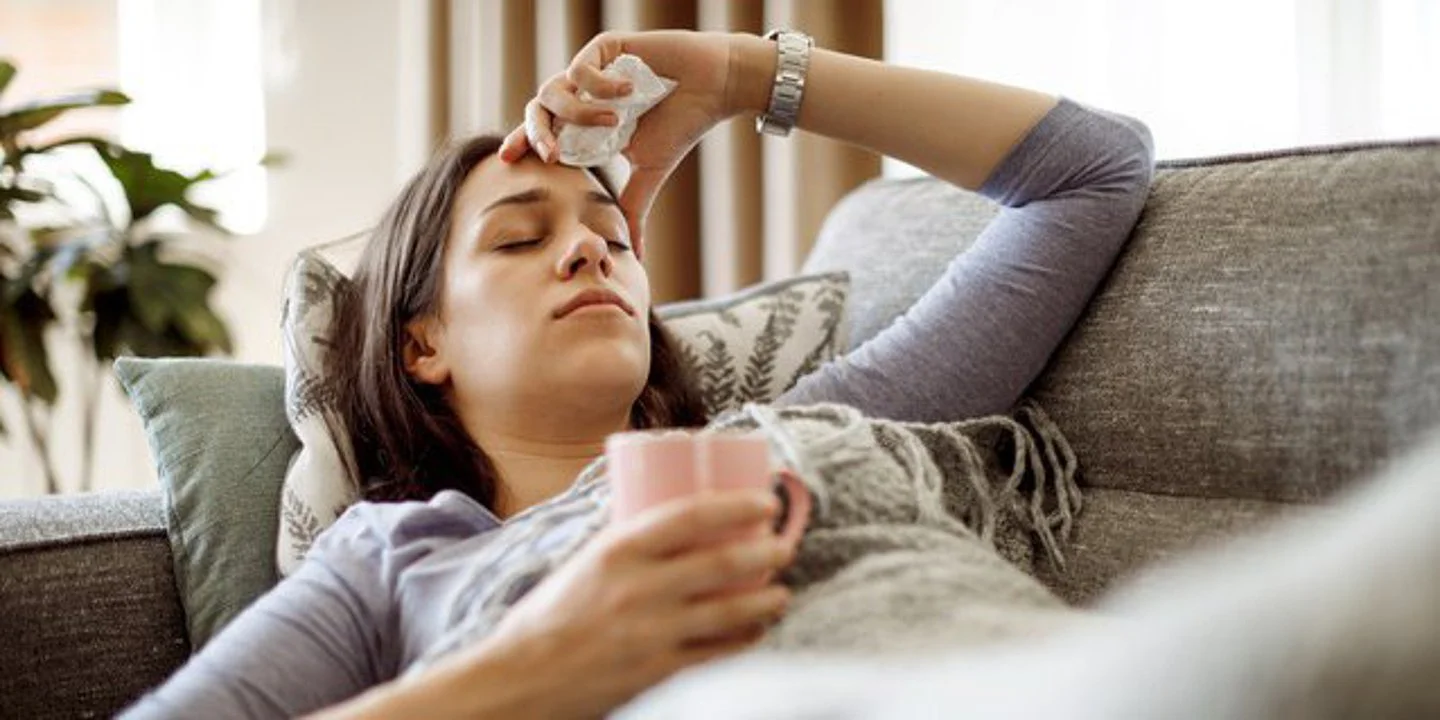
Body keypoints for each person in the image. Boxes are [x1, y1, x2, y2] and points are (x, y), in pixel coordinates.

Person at [122, 29, 1154, 719]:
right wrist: (534, 667)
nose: (591, 252)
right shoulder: (393, 561)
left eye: (613, 233)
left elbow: (1093, 174)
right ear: (420, 344)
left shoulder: (782, 440)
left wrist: (743, 74)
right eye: (521, 241)